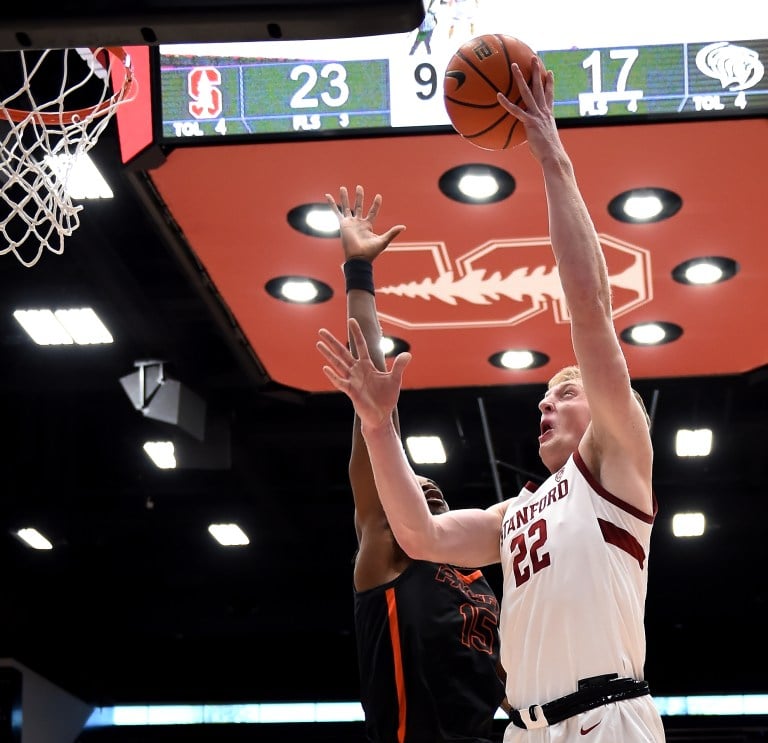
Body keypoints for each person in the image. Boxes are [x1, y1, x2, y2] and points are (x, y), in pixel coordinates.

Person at [317, 57, 665, 742]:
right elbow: (418, 534)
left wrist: (551, 156)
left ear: (605, 406)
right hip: (526, 731)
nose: (544, 404)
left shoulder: (621, 459)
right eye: (543, 395)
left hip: (606, 716)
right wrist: (379, 424)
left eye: (562, 392)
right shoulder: (520, 511)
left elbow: (589, 309)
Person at [325, 184, 507, 742]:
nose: (427, 486)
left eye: (434, 487)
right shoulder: (390, 551)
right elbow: (376, 415)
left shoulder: (478, 574)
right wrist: (359, 274)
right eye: (412, 482)